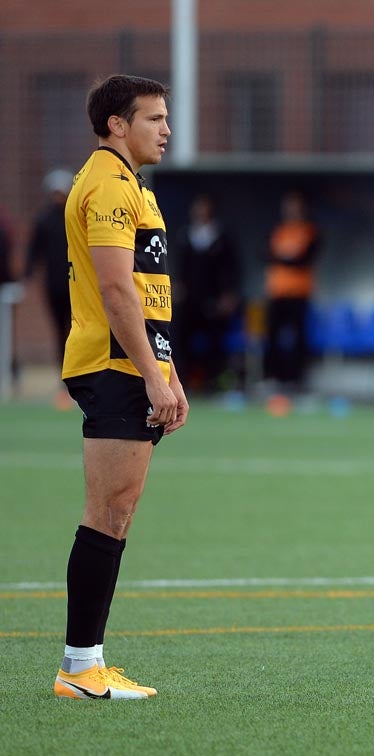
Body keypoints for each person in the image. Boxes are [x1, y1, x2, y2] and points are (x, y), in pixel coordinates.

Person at [54, 74, 187, 700]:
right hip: (114, 366)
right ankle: (80, 668)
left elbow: (148, 290)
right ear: (117, 124)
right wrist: (153, 373)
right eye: (154, 118)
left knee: (118, 510)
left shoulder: (133, 186)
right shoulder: (108, 182)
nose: (166, 129)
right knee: (107, 510)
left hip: (134, 365)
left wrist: (169, 369)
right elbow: (114, 290)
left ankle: (87, 663)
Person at [174, 194, 241, 392]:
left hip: (214, 300)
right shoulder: (185, 235)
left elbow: (232, 268)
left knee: (215, 341)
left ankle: (214, 382)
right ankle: (183, 382)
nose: (200, 211)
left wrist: (228, 296)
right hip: (190, 300)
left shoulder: (222, 236)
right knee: (181, 338)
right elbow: (180, 266)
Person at [263, 190, 318, 390]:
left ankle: (297, 381)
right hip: (277, 293)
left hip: (300, 294)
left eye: (295, 204)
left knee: (299, 339)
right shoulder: (278, 230)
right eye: (288, 204)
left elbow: (304, 259)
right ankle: (272, 378)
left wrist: (284, 259)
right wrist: (287, 259)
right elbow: (265, 254)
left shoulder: (309, 231)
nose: (291, 209)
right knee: (272, 337)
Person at [26, 169, 74, 368]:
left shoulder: (74, 217)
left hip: (75, 283)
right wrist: (26, 275)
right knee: (58, 329)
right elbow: (34, 250)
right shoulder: (43, 221)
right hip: (54, 285)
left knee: (75, 328)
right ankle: (62, 370)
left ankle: (77, 369)